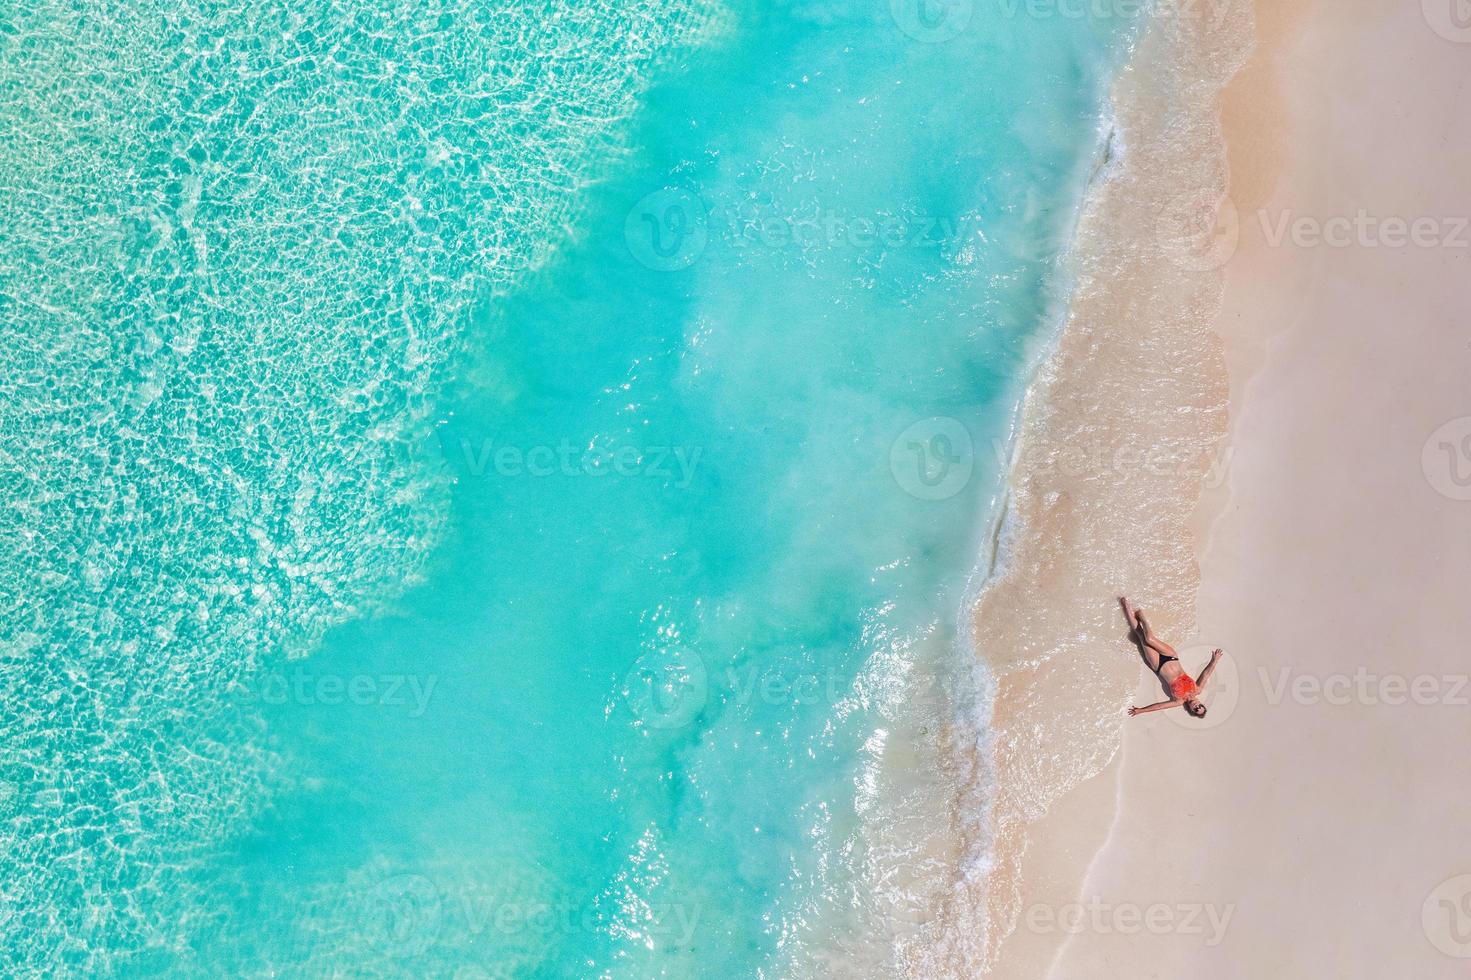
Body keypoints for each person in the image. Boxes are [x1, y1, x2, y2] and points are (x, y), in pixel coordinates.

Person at [1121, 597, 1223, 719]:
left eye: (1195, 709)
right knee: (1150, 639)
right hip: (1172, 657)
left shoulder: (1178, 701)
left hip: (1158, 665)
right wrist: (1215, 660)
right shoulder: (1198, 689)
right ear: (1201, 703)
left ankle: (1125, 605)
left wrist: (1141, 710)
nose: (1196, 706)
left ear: (1190, 710)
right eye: (1200, 706)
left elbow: (1159, 706)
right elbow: (1206, 675)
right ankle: (1142, 616)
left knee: (1140, 636)